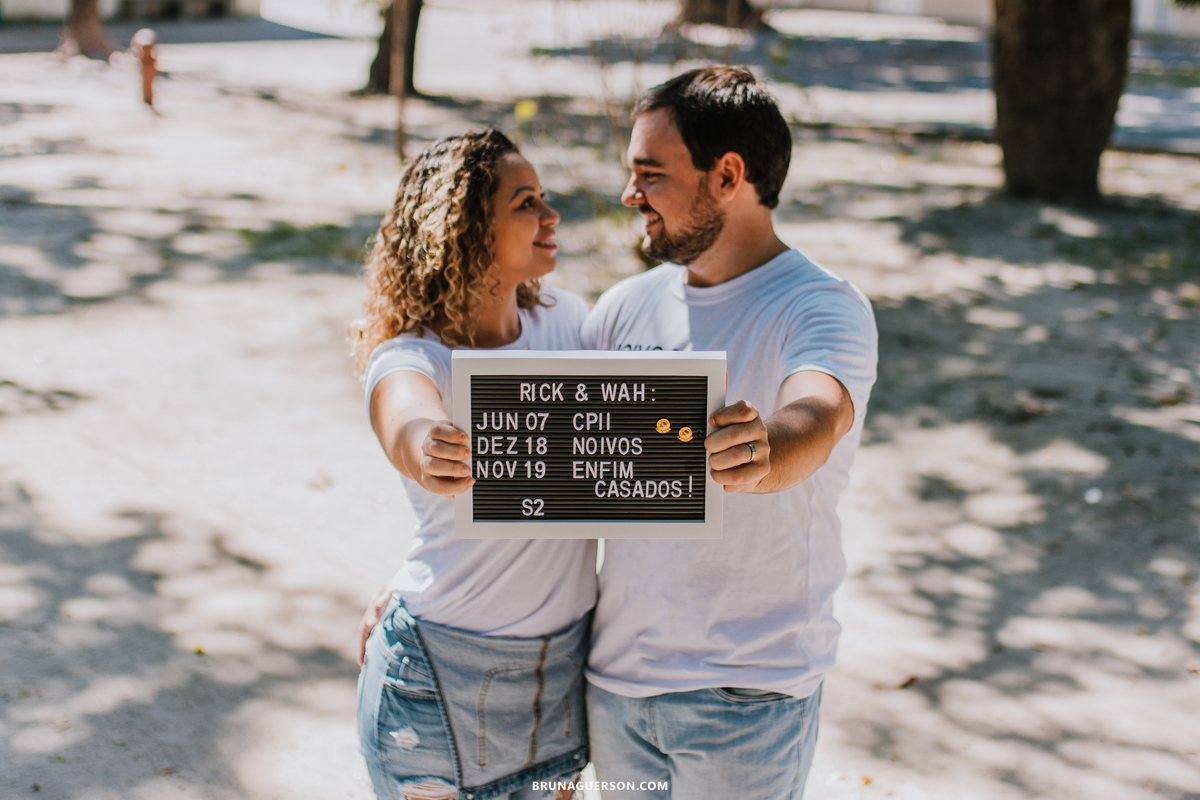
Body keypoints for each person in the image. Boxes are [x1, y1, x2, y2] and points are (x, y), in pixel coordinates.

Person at [580, 67, 878, 799]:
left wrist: (767, 449)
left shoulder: (823, 307)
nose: (630, 196)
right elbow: (563, 484)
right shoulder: (620, 309)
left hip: (745, 702)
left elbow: (820, 412)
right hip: (616, 695)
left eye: (650, 173)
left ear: (728, 175)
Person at [351, 129, 593, 800]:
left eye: (544, 198)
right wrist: (430, 445)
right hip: (435, 690)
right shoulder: (412, 357)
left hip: (556, 681)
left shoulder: (573, 326)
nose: (551, 217)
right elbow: (405, 417)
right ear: (465, 229)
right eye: (526, 203)